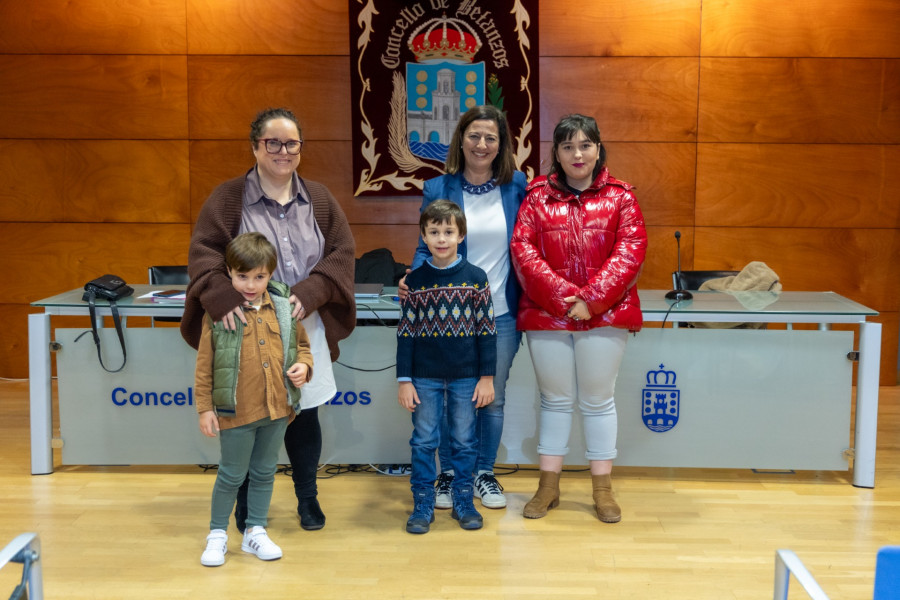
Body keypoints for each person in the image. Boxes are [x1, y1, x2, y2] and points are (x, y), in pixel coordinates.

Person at [182, 107, 356, 533]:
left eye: (291, 143)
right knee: (247, 416)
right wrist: (224, 297)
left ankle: (307, 498)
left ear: (301, 148)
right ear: (255, 146)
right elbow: (204, 254)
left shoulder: (318, 198)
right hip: (243, 327)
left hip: (301, 323)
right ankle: (244, 502)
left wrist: (311, 293)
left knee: (304, 413)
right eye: (272, 142)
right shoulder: (227, 198)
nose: (283, 151)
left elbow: (342, 252)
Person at [510, 114, 647, 523]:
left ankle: (602, 490)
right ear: (558, 153)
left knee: (598, 401)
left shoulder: (622, 197)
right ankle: (547, 488)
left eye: (585, 145)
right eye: (568, 146)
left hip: (605, 315)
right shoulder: (536, 198)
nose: (577, 154)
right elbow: (523, 249)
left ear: (598, 148)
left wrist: (590, 300)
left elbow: (631, 252)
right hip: (546, 313)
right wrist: (562, 298)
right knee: (554, 401)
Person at [404, 105, 527, 511]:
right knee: (443, 394)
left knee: (490, 395)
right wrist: (414, 278)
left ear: (501, 144)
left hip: (500, 312)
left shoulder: (517, 186)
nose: (482, 144)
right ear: (461, 140)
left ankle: (483, 473)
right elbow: (428, 246)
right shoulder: (438, 188)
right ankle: (449, 474)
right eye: (474, 135)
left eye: (491, 137)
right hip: (447, 315)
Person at [196, 233, 314, 567]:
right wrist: (205, 408)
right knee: (232, 475)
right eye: (242, 276)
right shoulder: (220, 313)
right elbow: (204, 365)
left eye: (259, 276)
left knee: (264, 472)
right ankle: (217, 534)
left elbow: (303, 346)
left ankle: (254, 532)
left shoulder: (283, 307)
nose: (250, 284)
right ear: (229, 274)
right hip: (236, 412)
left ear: (271, 274)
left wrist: (304, 366)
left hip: (277, 408)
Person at [397, 200, 497, 534]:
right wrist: (404, 380)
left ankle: (463, 500)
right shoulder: (416, 282)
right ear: (424, 236)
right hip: (423, 378)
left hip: (467, 377)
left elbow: (487, 332)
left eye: (449, 232)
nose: (441, 238)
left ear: (461, 235)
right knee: (424, 440)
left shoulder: (475, 279)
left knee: (465, 441)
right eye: (434, 232)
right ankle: (423, 502)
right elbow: (406, 334)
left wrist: (487, 377)